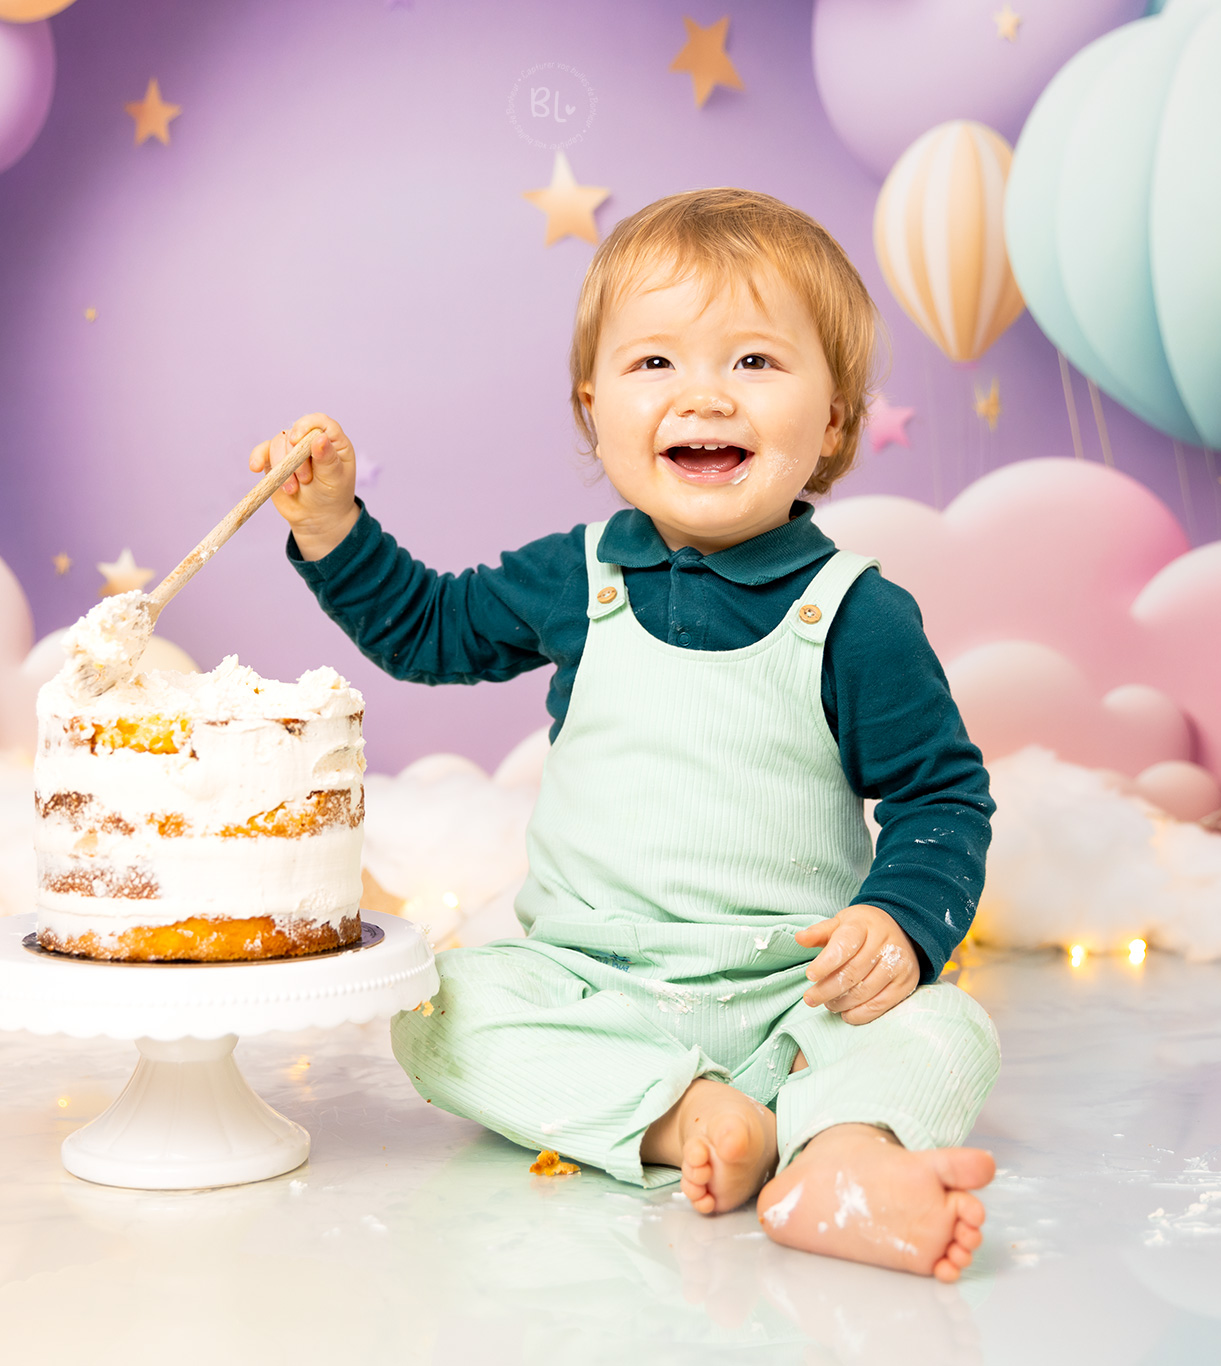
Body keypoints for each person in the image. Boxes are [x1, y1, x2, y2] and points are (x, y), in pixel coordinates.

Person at [250, 188, 999, 1279]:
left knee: (945, 1028)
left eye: (753, 362)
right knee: (437, 1008)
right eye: (655, 365)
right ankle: (684, 1118)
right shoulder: (579, 574)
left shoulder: (854, 613)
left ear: (833, 419)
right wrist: (332, 526)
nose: (704, 393)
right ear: (592, 408)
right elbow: (430, 630)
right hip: (589, 984)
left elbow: (941, 797)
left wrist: (896, 922)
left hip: (794, 999)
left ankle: (838, 1156)